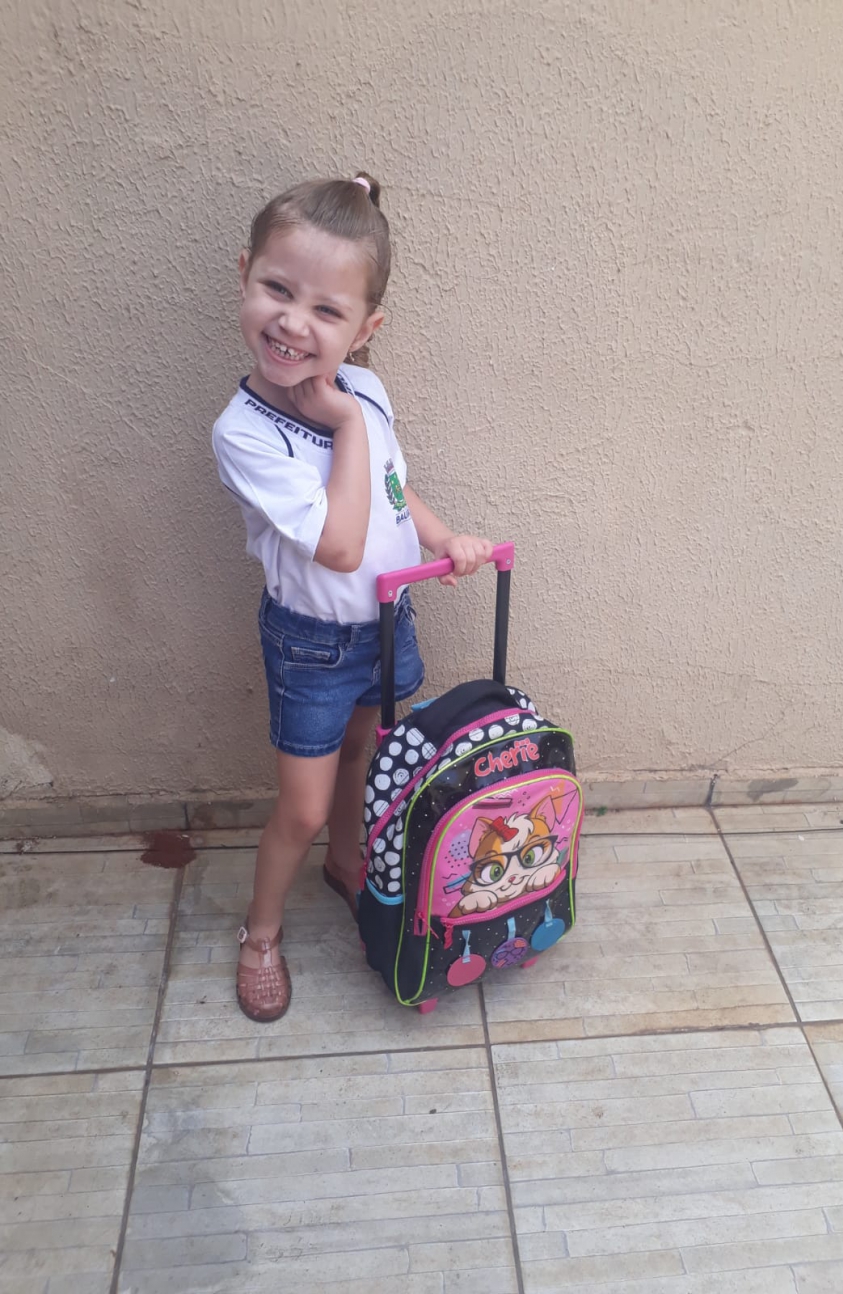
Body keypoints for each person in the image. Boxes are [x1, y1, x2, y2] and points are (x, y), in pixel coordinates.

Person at [212, 173, 493, 1022]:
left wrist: (440, 537)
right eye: (277, 289)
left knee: (364, 755)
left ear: (366, 329)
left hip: (388, 620)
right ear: (244, 276)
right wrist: (340, 426)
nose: (294, 323)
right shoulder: (246, 432)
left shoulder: (366, 391)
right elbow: (336, 545)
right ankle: (261, 933)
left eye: (327, 310)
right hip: (312, 645)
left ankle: (346, 864)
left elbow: (393, 490)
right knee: (299, 809)